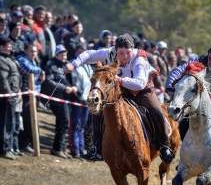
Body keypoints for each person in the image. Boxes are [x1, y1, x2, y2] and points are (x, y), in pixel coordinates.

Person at [64, 34, 175, 164]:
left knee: (156, 111)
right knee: (98, 111)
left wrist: (119, 80)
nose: (125, 56)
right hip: (122, 90)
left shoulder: (139, 59)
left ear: (132, 49)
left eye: (128, 52)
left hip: (143, 90)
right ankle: (96, 148)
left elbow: (139, 83)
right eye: (121, 53)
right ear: (115, 50)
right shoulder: (110, 53)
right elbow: (89, 54)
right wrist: (74, 64)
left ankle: (164, 146)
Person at [41, 44, 77, 159]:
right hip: (56, 99)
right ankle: (58, 148)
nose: (64, 56)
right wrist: (64, 88)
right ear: (56, 55)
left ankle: (60, 148)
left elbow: (72, 79)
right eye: (61, 54)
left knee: (62, 123)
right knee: (64, 122)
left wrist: (74, 86)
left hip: (66, 99)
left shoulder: (66, 66)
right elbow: (48, 82)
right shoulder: (51, 66)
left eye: (65, 54)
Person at [17, 43, 45, 153]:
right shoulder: (21, 59)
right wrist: (40, 70)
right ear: (25, 51)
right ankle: (25, 143)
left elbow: (36, 77)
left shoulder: (33, 61)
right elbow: (27, 70)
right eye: (31, 51)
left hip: (33, 96)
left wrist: (40, 78)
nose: (34, 53)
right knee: (27, 121)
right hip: (24, 96)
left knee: (33, 121)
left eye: (35, 51)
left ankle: (31, 143)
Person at [0, 36, 22, 160]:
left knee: (10, 123)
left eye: (10, 45)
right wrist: (8, 94)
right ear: (1, 46)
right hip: (6, 97)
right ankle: (4, 149)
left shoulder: (9, 58)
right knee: (6, 124)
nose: (10, 47)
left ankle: (7, 148)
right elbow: (2, 79)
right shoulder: (1, 60)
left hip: (12, 95)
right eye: (7, 45)